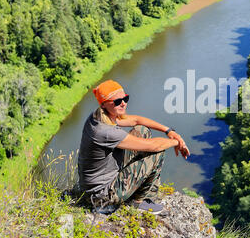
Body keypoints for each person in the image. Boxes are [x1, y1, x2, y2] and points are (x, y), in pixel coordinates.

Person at [77, 79, 190, 214]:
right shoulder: (104, 131)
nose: (123, 103)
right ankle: (139, 202)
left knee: (142, 130)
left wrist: (169, 131)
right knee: (157, 153)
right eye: (118, 101)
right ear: (104, 104)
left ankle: (135, 189)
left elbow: (137, 121)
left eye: (125, 98)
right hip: (101, 195)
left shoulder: (102, 114)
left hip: (105, 177)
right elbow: (154, 146)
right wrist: (177, 142)